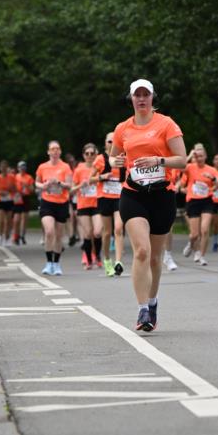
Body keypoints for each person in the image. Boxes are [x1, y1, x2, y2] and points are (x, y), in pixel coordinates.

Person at [110, 78, 187, 331]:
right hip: (133, 194)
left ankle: (152, 302)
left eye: (146, 94)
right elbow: (113, 159)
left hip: (162, 195)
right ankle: (142, 310)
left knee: (155, 257)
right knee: (141, 251)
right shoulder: (123, 128)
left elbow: (182, 160)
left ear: (153, 97)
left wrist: (158, 161)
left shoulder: (166, 124)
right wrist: (117, 163)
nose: (141, 99)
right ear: (131, 98)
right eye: (137, 95)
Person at [179, 144, 218, 266]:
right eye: (197, 156)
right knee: (194, 234)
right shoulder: (190, 167)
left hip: (207, 201)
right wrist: (190, 156)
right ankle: (191, 243)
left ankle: (201, 255)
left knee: (205, 229)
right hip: (193, 202)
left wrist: (212, 179)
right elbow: (179, 167)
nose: (199, 158)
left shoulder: (211, 169)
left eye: (201, 156)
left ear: (206, 156)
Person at [35, 140, 72, 275]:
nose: (55, 151)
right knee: (49, 231)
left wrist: (59, 183)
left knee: (58, 235)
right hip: (47, 202)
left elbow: (70, 185)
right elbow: (37, 183)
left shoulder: (66, 167)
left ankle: (56, 264)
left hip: (61, 203)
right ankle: (48, 263)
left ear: (60, 151)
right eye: (52, 149)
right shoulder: (42, 167)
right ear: (48, 152)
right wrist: (43, 186)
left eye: (57, 148)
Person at [94, 133, 125, 276]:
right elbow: (90, 179)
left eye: (115, 140)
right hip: (104, 197)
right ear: (105, 143)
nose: (112, 143)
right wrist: (101, 177)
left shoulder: (123, 157)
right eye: (109, 141)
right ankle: (107, 260)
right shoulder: (101, 159)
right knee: (106, 233)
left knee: (118, 228)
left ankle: (118, 261)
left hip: (119, 197)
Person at [71, 144, 104, 269]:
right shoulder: (79, 170)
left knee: (97, 231)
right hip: (83, 205)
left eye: (92, 153)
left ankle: (98, 256)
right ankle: (89, 259)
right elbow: (71, 190)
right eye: (87, 154)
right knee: (88, 233)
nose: (90, 156)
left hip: (97, 203)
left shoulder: (100, 168)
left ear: (96, 154)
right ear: (83, 155)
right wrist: (81, 186)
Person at [0, 160, 16, 246]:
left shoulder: (12, 177)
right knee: (1, 221)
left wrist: (11, 189)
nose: (4, 169)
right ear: (0, 168)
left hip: (9, 200)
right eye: (2, 168)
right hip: (0, 201)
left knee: (8, 221)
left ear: (7, 168)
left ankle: (7, 238)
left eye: (5, 168)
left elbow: (15, 189)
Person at [12, 160, 34, 244]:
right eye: (20, 167)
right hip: (18, 197)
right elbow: (11, 187)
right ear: (18, 168)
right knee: (16, 219)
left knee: (24, 218)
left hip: (25, 197)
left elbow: (32, 189)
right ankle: (16, 236)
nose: (22, 169)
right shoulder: (15, 177)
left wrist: (27, 186)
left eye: (23, 167)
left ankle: (22, 235)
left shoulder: (29, 177)